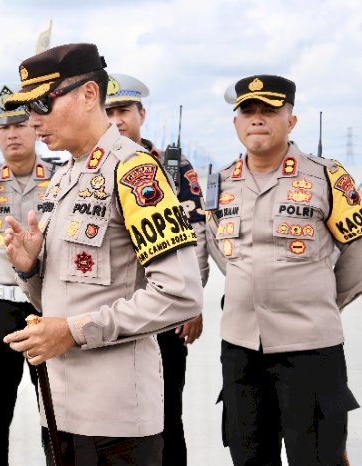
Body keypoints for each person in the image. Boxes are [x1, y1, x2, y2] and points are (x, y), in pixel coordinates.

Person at [0, 43, 203, 465]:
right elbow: (60, 298)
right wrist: (30, 268)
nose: (33, 119)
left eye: (42, 103)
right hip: (60, 406)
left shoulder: (133, 172)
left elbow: (181, 293)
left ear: (89, 95)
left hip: (115, 419)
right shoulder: (66, 176)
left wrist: (74, 331)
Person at [206, 74, 362, 465]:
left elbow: (357, 254)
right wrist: (251, 291)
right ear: (236, 123)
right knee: (249, 456)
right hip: (241, 350)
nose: (257, 118)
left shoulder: (327, 177)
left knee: (317, 457)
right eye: (248, 111)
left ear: (290, 121)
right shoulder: (219, 181)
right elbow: (222, 252)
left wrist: (318, 300)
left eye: (269, 110)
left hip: (310, 348)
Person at [105, 72, 209, 466]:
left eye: (124, 110)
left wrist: (193, 302)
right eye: (109, 111)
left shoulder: (173, 167)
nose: (117, 120)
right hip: (112, 313)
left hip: (165, 315)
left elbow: (195, 235)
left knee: (168, 418)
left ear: (141, 113)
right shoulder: (94, 167)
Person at [0, 84, 54, 465]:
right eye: (4, 127)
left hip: (45, 309)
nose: (13, 133)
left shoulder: (60, 179)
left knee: (54, 414)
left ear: (35, 127)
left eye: (20, 123)